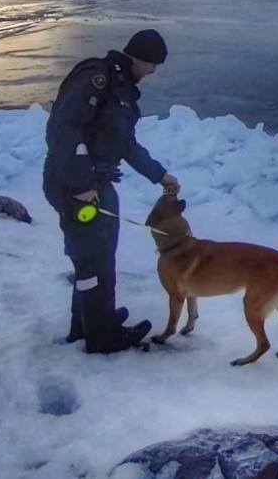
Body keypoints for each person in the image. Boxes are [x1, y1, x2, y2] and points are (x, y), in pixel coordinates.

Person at [41, 29, 181, 353]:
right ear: (136, 57)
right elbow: (64, 130)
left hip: (98, 182)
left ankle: (91, 322)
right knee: (91, 257)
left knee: (102, 254)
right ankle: (100, 337)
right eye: (152, 64)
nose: (153, 71)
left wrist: (158, 175)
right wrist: (81, 185)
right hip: (75, 184)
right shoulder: (96, 80)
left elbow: (126, 144)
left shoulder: (121, 91)